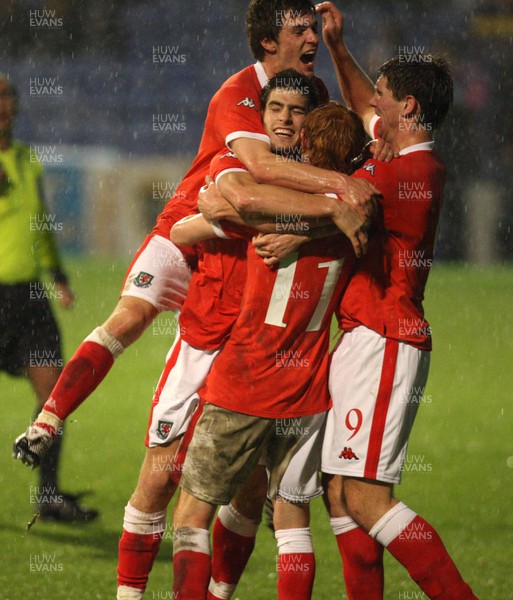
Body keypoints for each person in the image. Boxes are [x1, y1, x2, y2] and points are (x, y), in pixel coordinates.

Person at [12, 0, 379, 478]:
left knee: (232, 372)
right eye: (302, 30)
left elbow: (361, 123)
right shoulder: (238, 93)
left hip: (236, 246)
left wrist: (339, 48)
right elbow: (261, 170)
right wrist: (341, 190)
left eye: (314, 30)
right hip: (187, 227)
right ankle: (49, 418)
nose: (312, 38)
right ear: (269, 41)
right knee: (130, 317)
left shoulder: (313, 92)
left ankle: (253, 486)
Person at [169, 100, 368, 600]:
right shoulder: (357, 220)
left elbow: (182, 230)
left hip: (245, 382)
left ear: (301, 147)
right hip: (307, 391)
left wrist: (225, 205)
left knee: (192, 514)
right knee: (293, 522)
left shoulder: (271, 205)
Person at [313, 3, 478, 599]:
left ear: (408, 107)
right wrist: (336, 46)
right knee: (338, 491)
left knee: (365, 496)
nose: (373, 104)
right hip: (364, 336)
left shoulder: (414, 172)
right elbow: (362, 105)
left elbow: (338, 202)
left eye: (386, 96)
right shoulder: (400, 151)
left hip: (385, 340)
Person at [0, 75, 97, 522]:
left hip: (28, 296)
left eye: (7, 95)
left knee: (55, 389)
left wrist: (57, 274)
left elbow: (39, 224)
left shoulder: (27, 159)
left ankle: (49, 496)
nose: (3, 104)